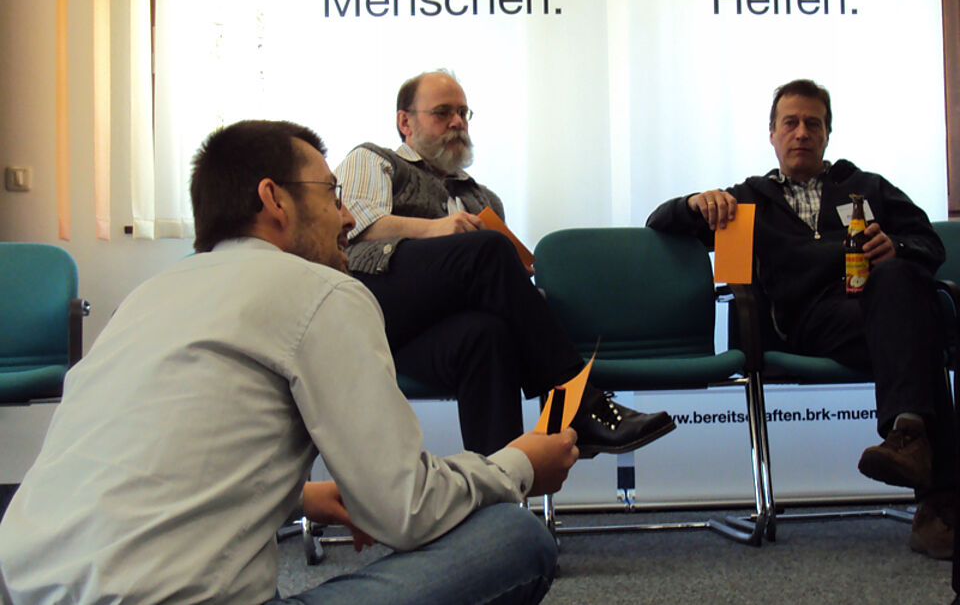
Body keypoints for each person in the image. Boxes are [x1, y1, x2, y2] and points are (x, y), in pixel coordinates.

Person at [0, 120, 579, 605]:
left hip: (26, 590)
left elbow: (145, 462)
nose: (348, 218)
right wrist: (518, 465)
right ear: (274, 199)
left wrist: (298, 498)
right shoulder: (322, 292)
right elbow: (407, 511)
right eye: (332, 194)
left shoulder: (146, 298)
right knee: (513, 537)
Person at [646, 78, 955, 560]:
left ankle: (909, 437)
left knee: (901, 284)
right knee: (923, 331)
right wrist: (693, 203)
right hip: (807, 323)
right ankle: (940, 505)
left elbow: (928, 243)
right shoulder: (749, 199)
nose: (802, 133)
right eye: (790, 123)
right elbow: (660, 223)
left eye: (813, 123)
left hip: (882, 307)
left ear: (828, 134)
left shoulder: (867, 187)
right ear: (772, 134)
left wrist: (897, 246)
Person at [336, 70, 675, 457]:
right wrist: (436, 229)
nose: (457, 122)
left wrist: (514, 280)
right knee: (488, 250)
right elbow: (353, 224)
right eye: (443, 112)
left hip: (428, 336)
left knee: (488, 336)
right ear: (405, 122)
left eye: (463, 113)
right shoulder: (373, 159)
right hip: (374, 306)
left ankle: (501, 484)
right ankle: (578, 405)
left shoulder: (483, 198)